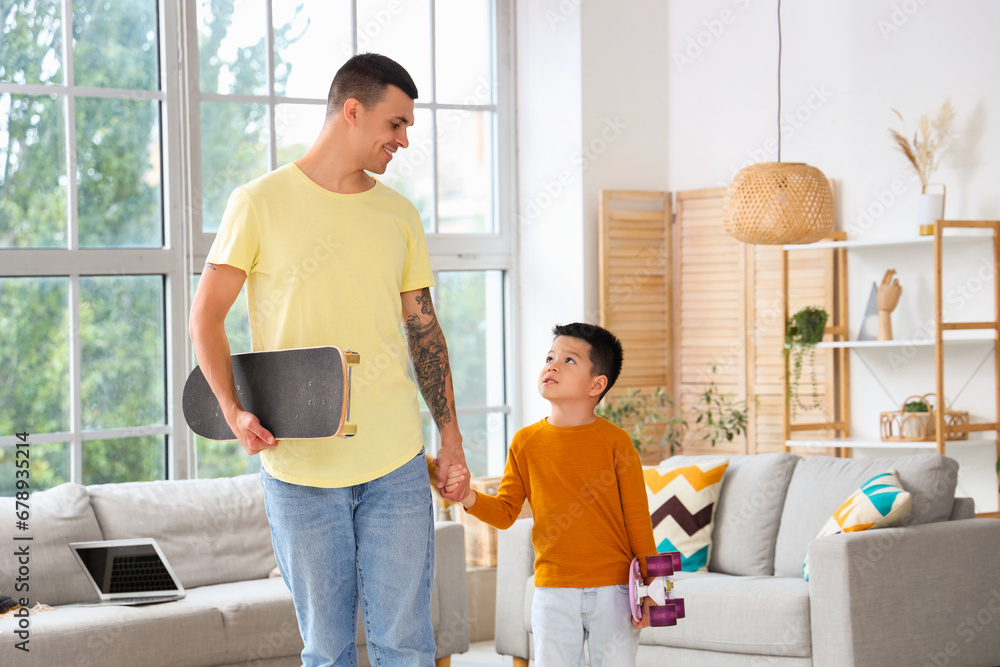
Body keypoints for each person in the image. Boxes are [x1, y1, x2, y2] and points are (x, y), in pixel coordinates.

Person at [189, 53, 470, 667]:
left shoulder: (399, 214)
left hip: (395, 461)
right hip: (299, 467)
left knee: (407, 645)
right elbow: (204, 318)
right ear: (352, 111)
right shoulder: (259, 202)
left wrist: (450, 437)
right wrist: (234, 412)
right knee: (328, 650)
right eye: (395, 123)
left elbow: (425, 332)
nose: (404, 139)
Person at [450, 323, 657, 666]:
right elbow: (505, 512)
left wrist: (654, 587)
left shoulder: (616, 442)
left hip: (615, 592)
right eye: (550, 357)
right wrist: (466, 496)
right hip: (552, 591)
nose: (552, 365)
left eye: (569, 360)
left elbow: (638, 519)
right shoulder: (525, 442)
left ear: (597, 384)